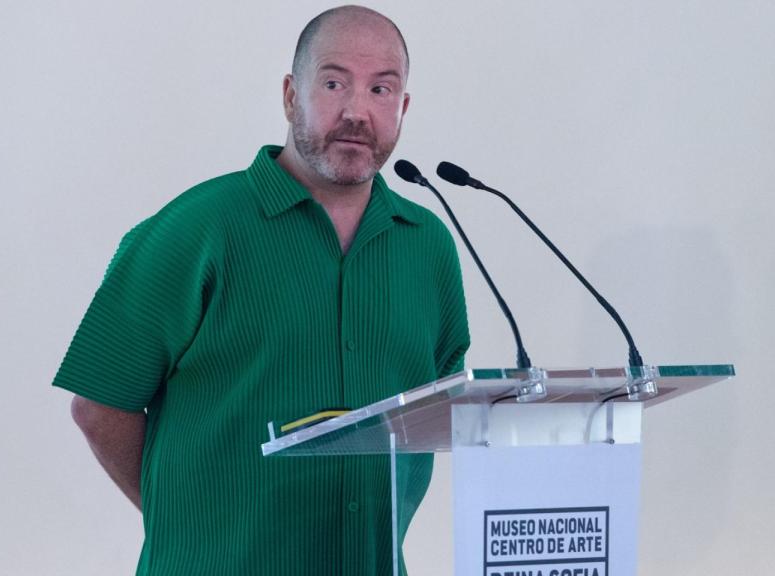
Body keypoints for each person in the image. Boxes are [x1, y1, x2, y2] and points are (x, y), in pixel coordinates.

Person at [53, 5, 470, 575]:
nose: (356, 110)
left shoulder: (428, 247)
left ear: (403, 107)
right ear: (290, 95)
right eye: (333, 82)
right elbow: (100, 406)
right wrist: (191, 525)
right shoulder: (196, 230)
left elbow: (434, 411)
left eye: (380, 88)